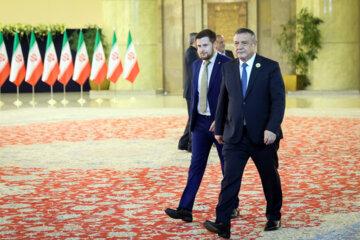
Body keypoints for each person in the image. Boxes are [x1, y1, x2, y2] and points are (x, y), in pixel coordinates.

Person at [203, 28, 285, 239]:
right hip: (234, 135)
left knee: (269, 177)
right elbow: (223, 100)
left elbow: (278, 101)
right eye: (236, 43)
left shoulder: (269, 67)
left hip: (263, 136)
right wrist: (219, 129)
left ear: (254, 44)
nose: (238, 47)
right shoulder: (228, 68)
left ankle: (274, 215)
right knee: (230, 179)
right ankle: (222, 222)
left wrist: (272, 128)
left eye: (244, 43)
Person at [165, 29, 232, 222]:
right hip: (201, 125)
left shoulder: (228, 64)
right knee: (195, 166)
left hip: (219, 125)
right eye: (198, 46)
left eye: (205, 46)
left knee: (227, 168)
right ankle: (185, 209)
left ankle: (231, 206)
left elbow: (232, 97)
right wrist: (193, 122)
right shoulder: (196, 65)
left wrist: (220, 120)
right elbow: (196, 95)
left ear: (214, 44)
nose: (201, 50)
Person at [178, 32, 199, 152]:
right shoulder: (191, 53)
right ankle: (191, 145)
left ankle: (183, 142)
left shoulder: (192, 52)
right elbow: (193, 74)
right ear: (195, 41)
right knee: (193, 118)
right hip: (191, 91)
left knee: (192, 118)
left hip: (190, 91)